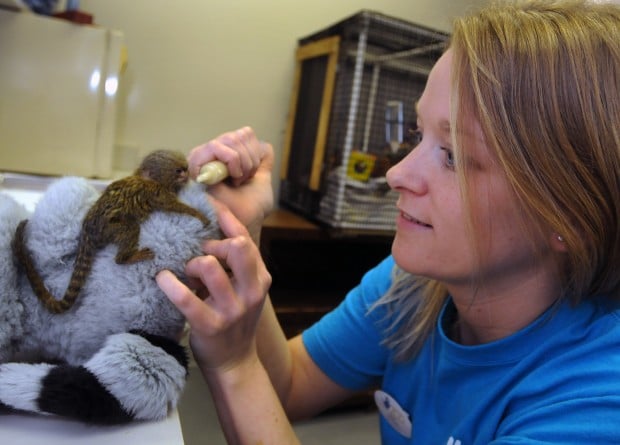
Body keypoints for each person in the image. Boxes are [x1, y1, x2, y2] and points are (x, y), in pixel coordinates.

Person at [157, 0, 620, 443]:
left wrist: (234, 366)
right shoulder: (414, 287)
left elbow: (255, 380)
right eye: (419, 135)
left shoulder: (597, 407)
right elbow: (290, 386)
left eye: (455, 155)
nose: (396, 174)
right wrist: (242, 232)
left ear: (569, 217)